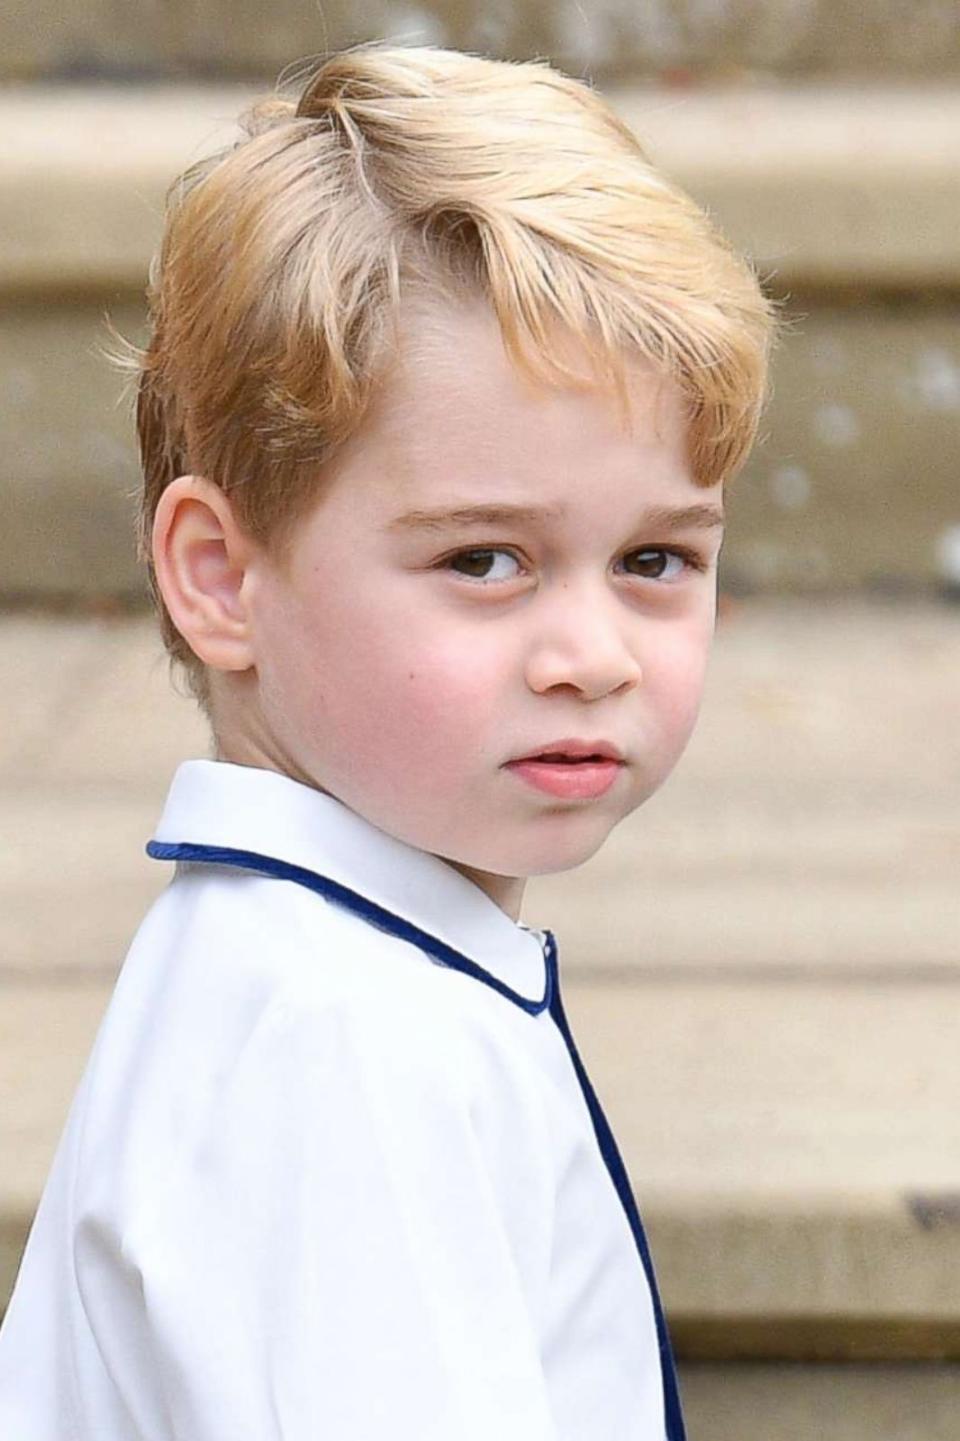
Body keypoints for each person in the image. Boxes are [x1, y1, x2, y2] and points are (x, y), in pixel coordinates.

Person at [0, 42, 774, 1440]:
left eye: (656, 559)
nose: (591, 655)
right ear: (223, 577)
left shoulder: (330, 970)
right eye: (485, 560)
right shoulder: (337, 1046)